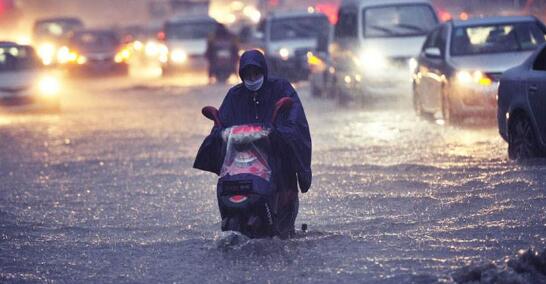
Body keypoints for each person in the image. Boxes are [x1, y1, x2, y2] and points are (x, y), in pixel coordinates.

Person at [194, 50, 312, 238]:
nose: (252, 78)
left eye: (256, 73)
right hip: (241, 163)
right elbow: (223, 122)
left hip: (275, 158)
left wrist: (278, 132)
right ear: (241, 75)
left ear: (264, 71)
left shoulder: (281, 88)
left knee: (283, 200)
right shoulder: (235, 95)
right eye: (247, 74)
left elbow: (295, 120)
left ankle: (283, 226)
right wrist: (218, 132)